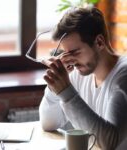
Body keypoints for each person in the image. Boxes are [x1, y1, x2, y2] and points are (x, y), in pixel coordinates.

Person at [39, 7, 127, 150]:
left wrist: (66, 92)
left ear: (99, 42)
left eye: (74, 52)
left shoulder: (123, 78)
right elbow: (49, 123)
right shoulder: (80, 72)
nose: (70, 60)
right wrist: (54, 86)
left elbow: (110, 144)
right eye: (64, 53)